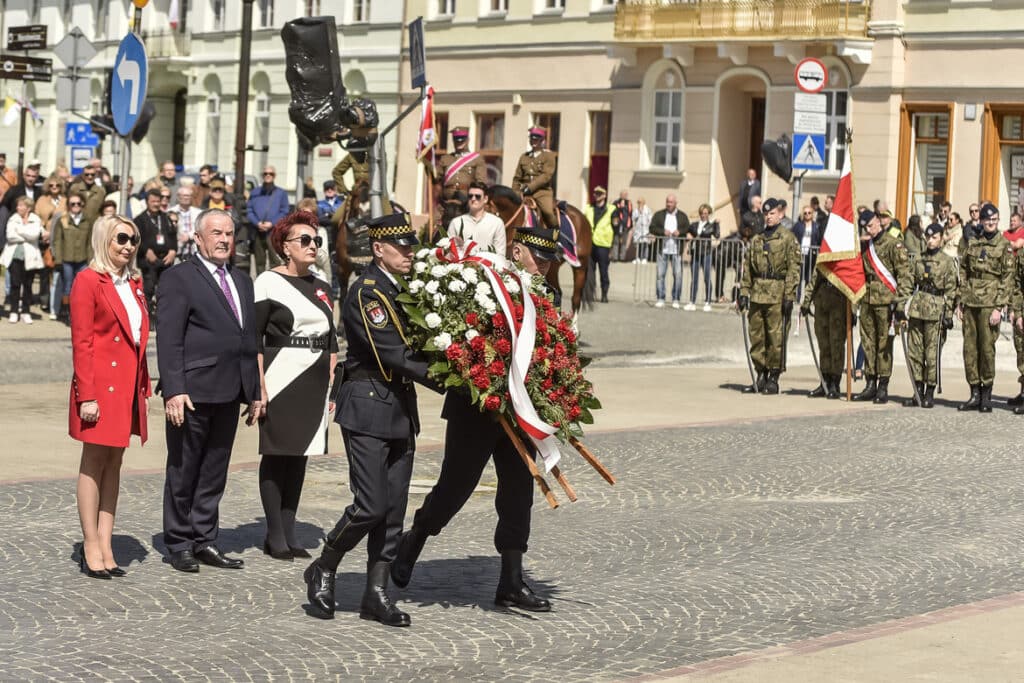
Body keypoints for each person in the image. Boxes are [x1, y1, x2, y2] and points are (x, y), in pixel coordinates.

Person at [390, 223, 561, 614]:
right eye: (542, 259)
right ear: (517, 252)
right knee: (456, 487)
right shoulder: (482, 281)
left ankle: (511, 581)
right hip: (476, 408)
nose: (547, 268)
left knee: (519, 492)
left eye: (551, 262)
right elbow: (463, 336)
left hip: (520, 410)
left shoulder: (547, 293)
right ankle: (415, 537)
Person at [303, 213, 439, 626]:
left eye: (412, 245)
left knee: (394, 509)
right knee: (370, 505)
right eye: (402, 246)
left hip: (399, 406)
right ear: (379, 249)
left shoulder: (408, 289)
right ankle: (324, 564)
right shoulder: (368, 291)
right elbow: (391, 351)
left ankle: (376, 593)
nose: (410, 252)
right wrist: (452, 377)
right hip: (367, 404)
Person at [157, 209, 262, 573]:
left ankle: (205, 538)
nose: (224, 239)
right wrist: (173, 389)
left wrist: (254, 391)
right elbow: (169, 340)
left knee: (215, 471)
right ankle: (180, 541)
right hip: (192, 392)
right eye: (216, 233)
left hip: (230, 390)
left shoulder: (242, 280)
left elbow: (248, 339)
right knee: (184, 469)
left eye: (229, 233)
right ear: (198, 238)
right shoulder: (179, 278)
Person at [69, 215, 151, 578]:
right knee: (94, 460)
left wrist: (143, 389)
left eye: (133, 239)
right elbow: (82, 342)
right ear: (104, 239)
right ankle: (90, 543)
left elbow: (138, 340)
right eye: (121, 238)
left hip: (127, 386)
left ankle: (106, 540)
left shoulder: (134, 282)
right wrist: (86, 395)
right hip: (99, 387)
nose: (128, 246)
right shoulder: (88, 281)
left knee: (115, 463)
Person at [254, 210, 337, 560]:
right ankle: (274, 534)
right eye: (304, 240)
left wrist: (332, 379)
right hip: (281, 374)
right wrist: (258, 385)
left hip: (315, 376)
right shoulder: (267, 282)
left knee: (301, 455)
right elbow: (253, 338)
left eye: (315, 240)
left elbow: (332, 338)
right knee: (277, 454)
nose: (312, 245)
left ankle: (290, 530)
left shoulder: (322, 286)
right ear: (285, 247)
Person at [737, 198, 801, 394]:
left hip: (777, 293)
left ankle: (773, 376)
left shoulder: (788, 238)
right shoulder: (757, 239)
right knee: (757, 336)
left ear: (780, 214)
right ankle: (760, 374)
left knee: (775, 337)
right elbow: (747, 268)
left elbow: (794, 268)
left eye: (772, 213)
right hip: (757, 293)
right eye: (766, 214)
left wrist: (789, 296)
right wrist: (743, 292)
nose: (768, 217)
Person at [957, 203, 1014, 412]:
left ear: (998, 221)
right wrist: (960, 300)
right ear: (980, 221)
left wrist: (1000, 307)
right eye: (987, 219)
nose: (991, 222)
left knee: (987, 350)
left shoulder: (1004, 246)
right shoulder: (973, 244)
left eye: (994, 219)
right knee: (969, 349)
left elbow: (1007, 279)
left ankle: (986, 395)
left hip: (990, 304)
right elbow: (963, 271)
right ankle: (974, 393)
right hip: (971, 302)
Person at [852, 210, 912, 404]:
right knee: (868, 342)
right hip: (868, 300)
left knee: (884, 344)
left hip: (887, 302)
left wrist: (901, 303)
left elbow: (904, 275)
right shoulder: (866, 246)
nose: (868, 229)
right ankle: (870, 383)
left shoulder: (893, 244)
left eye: (871, 225)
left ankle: (883, 386)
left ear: (878, 221)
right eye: (866, 227)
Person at [902, 223, 957, 408]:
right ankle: (917, 389)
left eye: (934, 237)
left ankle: (930, 392)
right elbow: (908, 282)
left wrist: (949, 313)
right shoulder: (918, 258)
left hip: (936, 310)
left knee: (931, 353)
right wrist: (901, 306)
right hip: (918, 308)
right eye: (928, 237)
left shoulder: (947, 261)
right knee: (915, 351)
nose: (930, 240)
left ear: (941, 238)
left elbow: (951, 289)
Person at [800, 260, 847, 399]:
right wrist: (806, 301)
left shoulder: (846, 254)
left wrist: (854, 309)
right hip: (821, 301)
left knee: (836, 343)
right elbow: (815, 277)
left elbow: (852, 281)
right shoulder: (826, 253)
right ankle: (824, 381)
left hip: (839, 301)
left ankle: (835, 383)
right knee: (824, 343)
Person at [52, 192, 94, 325]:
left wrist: (91, 260)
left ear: (82, 204)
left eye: (78, 203)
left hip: (82, 259)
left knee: (82, 288)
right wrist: (58, 260)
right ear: (68, 205)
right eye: (72, 203)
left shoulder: (88, 220)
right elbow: (57, 241)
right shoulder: (63, 219)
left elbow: (90, 242)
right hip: (67, 259)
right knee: (67, 287)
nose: (76, 206)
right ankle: (66, 312)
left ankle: (80, 313)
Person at [2, 196, 46, 324]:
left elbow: (35, 235)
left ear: (28, 208)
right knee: (15, 284)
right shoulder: (13, 218)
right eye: (18, 206)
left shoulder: (35, 219)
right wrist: (27, 234)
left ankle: (26, 311)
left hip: (31, 257)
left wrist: (20, 231)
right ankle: (14, 311)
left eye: (21, 206)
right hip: (15, 256)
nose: (18, 208)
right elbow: (10, 236)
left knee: (28, 285)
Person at [134, 188, 177, 317]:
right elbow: (136, 239)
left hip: (165, 259)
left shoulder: (165, 217)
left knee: (166, 289)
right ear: (147, 202)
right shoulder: (139, 219)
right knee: (148, 289)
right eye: (153, 201)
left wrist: (173, 251)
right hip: (148, 261)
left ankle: (163, 315)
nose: (156, 204)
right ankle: (147, 316)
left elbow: (173, 236)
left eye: (158, 201)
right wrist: (146, 250)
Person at [512, 127, 558, 231]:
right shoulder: (524, 157)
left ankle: (556, 237)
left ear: (542, 140)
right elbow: (517, 177)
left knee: (548, 212)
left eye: (537, 139)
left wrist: (530, 187)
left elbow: (546, 176)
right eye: (532, 139)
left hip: (542, 192)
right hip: (523, 192)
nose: (534, 141)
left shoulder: (549, 156)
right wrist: (515, 192)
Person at [247, 166, 290, 275]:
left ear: (274, 176)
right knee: (259, 261)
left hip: (273, 231)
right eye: (265, 173)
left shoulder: (281, 193)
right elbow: (249, 210)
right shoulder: (255, 192)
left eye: (271, 174)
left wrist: (272, 223)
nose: (268, 175)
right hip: (258, 231)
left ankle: (275, 283)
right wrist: (257, 223)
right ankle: (260, 283)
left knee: (275, 261)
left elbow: (284, 211)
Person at [649, 194, 689, 309]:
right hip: (663, 249)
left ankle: (676, 298)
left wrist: (680, 232)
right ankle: (660, 298)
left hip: (676, 250)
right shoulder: (659, 215)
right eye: (667, 202)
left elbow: (687, 227)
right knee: (660, 275)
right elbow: (652, 227)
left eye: (671, 202)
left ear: (676, 203)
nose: (669, 204)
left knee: (678, 275)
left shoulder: (682, 216)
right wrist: (662, 231)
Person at [447, 181, 505, 254]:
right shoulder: (456, 223)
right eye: (470, 196)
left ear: (485, 199)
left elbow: (500, 254)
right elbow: (449, 251)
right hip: (462, 264)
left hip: (488, 264)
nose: (473, 199)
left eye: (478, 196)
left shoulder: (497, 223)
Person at [437, 127, 487, 201]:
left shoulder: (477, 159)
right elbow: (437, 180)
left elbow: (481, 182)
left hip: (467, 200)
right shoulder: (445, 159)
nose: (459, 143)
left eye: (462, 141)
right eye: (456, 141)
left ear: (467, 140)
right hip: (447, 201)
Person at [685, 203, 719, 311]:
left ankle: (708, 301)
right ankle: (692, 301)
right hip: (695, 253)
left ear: (708, 214)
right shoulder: (694, 225)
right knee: (694, 278)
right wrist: (688, 236)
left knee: (707, 277)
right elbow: (687, 234)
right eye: (702, 213)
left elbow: (717, 235)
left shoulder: (711, 225)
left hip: (706, 253)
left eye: (706, 213)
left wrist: (717, 225)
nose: (704, 215)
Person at [585, 186, 613, 303]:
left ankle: (604, 294)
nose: (597, 195)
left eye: (600, 193)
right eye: (595, 193)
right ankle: (590, 294)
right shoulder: (588, 209)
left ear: (605, 195)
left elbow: (616, 229)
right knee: (590, 271)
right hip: (590, 244)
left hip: (604, 245)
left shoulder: (611, 209)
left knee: (603, 271)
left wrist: (613, 248)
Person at [791, 204, 821, 290]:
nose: (807, 214)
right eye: (805, 213)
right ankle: (798, 296)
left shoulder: (816, 226)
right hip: (800, 253)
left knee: (809, 276)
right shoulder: (798, 225)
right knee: (799, 276)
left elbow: (818, 239)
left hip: (811, 254)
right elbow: (793, 237)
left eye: (809, 213)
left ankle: (806, 298)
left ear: (812, 214)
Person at [171, 186, 202, 262]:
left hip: (195, 251)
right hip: (177, 253)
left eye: (188, 195)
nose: (186, 198)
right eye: (183, 195)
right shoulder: (170, 212)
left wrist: (189, 236)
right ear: (178, 197)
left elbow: (202, 229)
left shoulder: (199, 213)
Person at [610, 190, 633, 262]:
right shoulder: (616, 202)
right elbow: (613, 212)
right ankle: (615, 257)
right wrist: (620, 207)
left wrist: (624, 207)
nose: (624, 196)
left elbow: (630, 212)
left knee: (624, 242)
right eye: (623, 194)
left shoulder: (629, 203)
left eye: (626, 195)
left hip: (625, 225)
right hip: (617, 225)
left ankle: (622, 257)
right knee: (616, 241)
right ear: (620, 195)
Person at [631, 197, 652, 263]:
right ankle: (637, 257)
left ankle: (644, 258)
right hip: (638, 230)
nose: (639, 203)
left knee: (645, 244)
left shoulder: (648, 210)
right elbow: (633, 218)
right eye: (638, 202)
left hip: (645, 229)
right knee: (638, 245)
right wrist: (639, 212)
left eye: (640, 202)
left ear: (643, 202)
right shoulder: (636, 210)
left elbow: (650, 219)